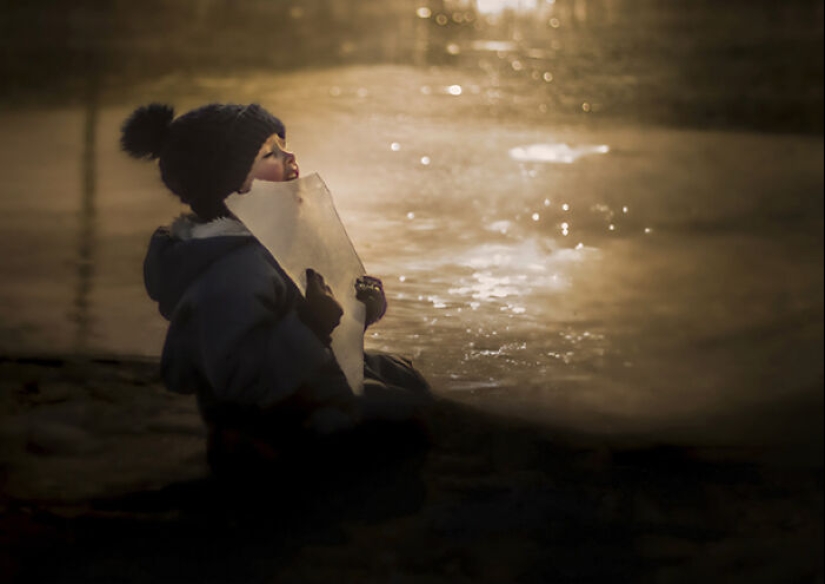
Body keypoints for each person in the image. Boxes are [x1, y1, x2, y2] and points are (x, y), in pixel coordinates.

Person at [120, 103, 431, 475]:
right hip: (272, 418)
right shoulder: (231, 272)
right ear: (229, 184)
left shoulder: (269, 244)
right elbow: (242, 378)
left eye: (284, 146)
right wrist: (311, 323)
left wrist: (358, 309)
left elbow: (316, 329)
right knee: (404, 417)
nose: (290, 156)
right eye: (271, 153)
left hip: (302, 384)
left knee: (400, 375)